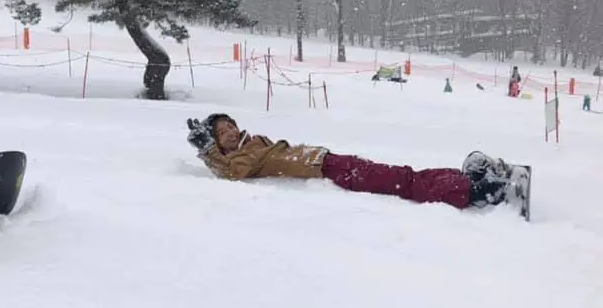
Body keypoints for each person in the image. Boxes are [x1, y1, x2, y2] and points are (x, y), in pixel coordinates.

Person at [186, 113, 528, 212]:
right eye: (221, 131)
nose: (230, 131)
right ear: (216, 141)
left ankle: (467, 180)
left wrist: (209, 150)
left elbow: (234, 167)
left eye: (230, 124)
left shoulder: (253, 142)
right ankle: (478, 191)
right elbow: (233, 174)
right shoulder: (240, 157)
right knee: (404, 183)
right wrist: (207, 152)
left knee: (404, 177)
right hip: (330, 169)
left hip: (331, 162)